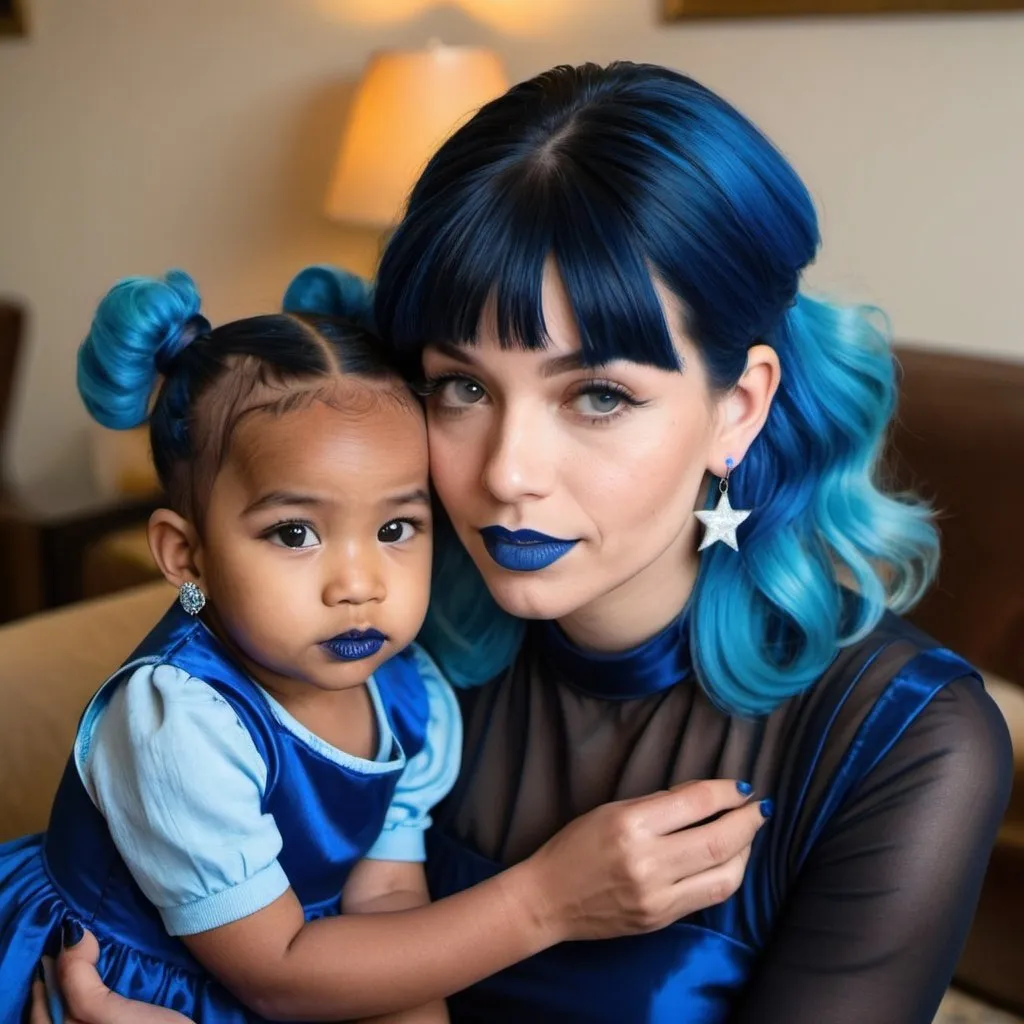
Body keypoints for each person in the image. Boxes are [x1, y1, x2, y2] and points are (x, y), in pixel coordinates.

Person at [39, 61, 1013, 1024]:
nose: (507, 472)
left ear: (738, 407)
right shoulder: (367, 632)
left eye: (598, 395)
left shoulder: (908, 745)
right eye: (461, 386)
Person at [3, 269, 766, 1024]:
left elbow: (392, 917)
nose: (359, 584)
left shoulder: (410, 695)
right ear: (185, 555)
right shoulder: (178, 723)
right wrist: (545, 900)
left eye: (396, 528)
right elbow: (278, 974)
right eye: (295, 533)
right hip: (115, 986)